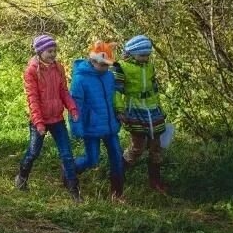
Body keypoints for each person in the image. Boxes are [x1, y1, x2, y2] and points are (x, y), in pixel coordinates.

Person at [15, 34, 82, 202]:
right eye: (49, 51)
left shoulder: (58, 68)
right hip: (40, 120)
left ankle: (74, 190)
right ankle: (22, 177)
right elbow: (33, 99)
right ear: (40, 52)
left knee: (67, 154)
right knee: (33, 152)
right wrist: (38, 122)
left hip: (57, 118)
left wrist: (72, 108)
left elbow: (63, 92)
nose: (53, 54)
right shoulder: (32, 71)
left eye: (54, 51)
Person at [114, 35, 168, 194]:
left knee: (156, 146)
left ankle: (155, 181)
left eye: (147, 55)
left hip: (153, 111)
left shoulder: (149, 67)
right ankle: (118, 174)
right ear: (131, 53)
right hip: (135, 110)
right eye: (142, 55)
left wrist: (160, 108)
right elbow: (117, 90)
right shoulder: (121, 67)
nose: (145, 58)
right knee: (137, 147)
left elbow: (155, 89)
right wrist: (119, 109)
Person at [71, 41, 124, 200]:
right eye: (102, 65)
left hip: (110, 125)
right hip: (91, 126)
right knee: (92, 159)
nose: (106, 68)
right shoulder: (80, 79)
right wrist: (76, 127)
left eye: (107, 65)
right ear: (93, 61)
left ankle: (117, 193)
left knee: (117, 155)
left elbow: (114, 96)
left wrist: (119, 112)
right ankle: (70, 169)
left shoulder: (108, 76)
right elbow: (75, 105)